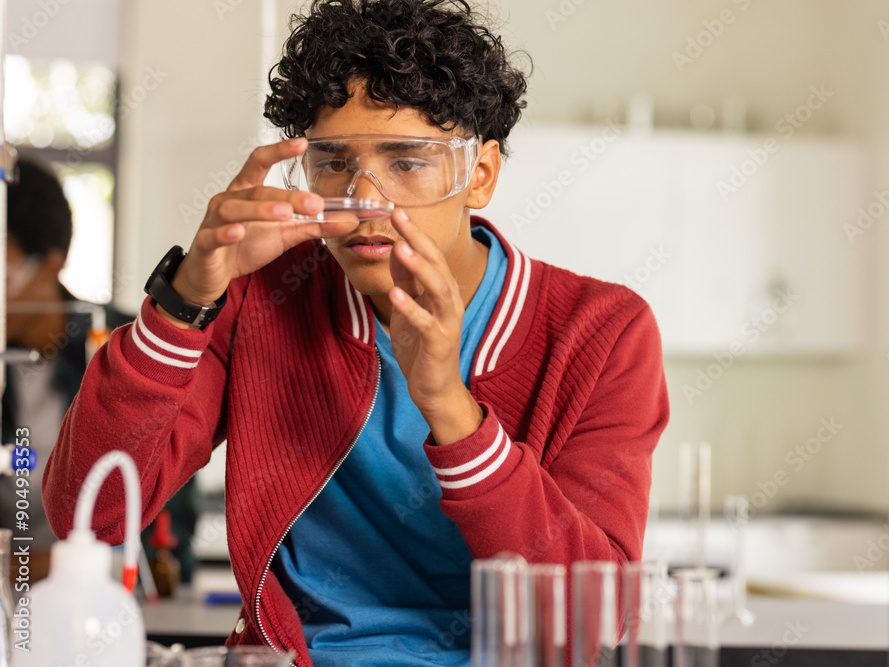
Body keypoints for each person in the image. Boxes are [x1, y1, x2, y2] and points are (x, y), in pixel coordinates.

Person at [43, 0, 670, 664]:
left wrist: (451, 412)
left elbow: (595, 616)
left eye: (406, 162)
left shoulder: (600, 331)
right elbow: (91, 512)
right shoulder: (261, 293)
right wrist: (184, 301)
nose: (366, 200)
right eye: (334, 163)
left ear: (478, 174)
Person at [2, 158, 133, 577]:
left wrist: (34, 569)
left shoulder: (124, 346)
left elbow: (160, 538)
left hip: (100, 609)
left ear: (51, 264)